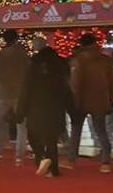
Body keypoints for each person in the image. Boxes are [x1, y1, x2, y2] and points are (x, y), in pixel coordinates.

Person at [66, 33, 113, 172]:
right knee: (101, 130)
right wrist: (111, 101)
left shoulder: (78, 61)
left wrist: (74, 102)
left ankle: (72, 159)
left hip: (81, 101)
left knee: (76, 130)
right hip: (101, 100)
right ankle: (106, 161)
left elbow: (75, 84)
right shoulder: (106, 60)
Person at [17, 46, 73, 177]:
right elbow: (67, 92)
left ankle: (41, 158)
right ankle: (53, 169)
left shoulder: (32, 70)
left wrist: (20, 112)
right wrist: (72, 109)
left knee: (33, 136)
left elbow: (25, 92)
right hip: (55, 110)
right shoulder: (60, 71)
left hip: (35, 109)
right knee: (51, 140)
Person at [0, 30, 31, 163]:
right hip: (20, 93)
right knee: (22, 126)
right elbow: (30, 72)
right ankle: (20, 155)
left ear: (4, 40)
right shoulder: (24, 56)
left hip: (3, 92)